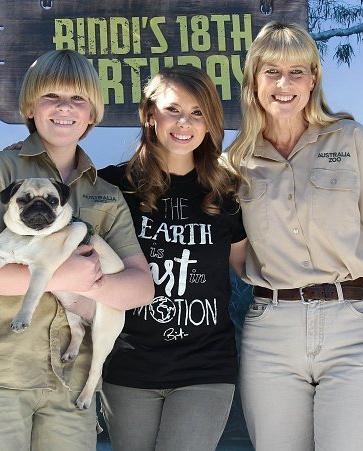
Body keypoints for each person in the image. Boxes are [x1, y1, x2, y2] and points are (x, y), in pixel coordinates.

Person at [0, 49, 154, 451]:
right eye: (50, 97)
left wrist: (90, 283)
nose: (64, 108)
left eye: (77, 99)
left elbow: (141, 288)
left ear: (93, 113)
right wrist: (63, 275)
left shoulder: (106, 194)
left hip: (70, 387)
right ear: (29, 107)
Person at [227, 22, 363, 451]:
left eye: (296, 72)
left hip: (353, 327)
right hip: (271, 333)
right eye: (271, 71)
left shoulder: (352, 140)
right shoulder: (233, 164)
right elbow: (237, 256)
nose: (283, 84)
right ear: (253, 80)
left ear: (313, 80)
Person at [97, 65, 248, 451]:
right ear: (150, 115)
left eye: (198, 112)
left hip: (205, 365)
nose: (185, 123)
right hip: (129, 364)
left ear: (211, 120)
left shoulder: (228, 192)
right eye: (173, 110)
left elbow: (248, 269)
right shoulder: (111, 186)